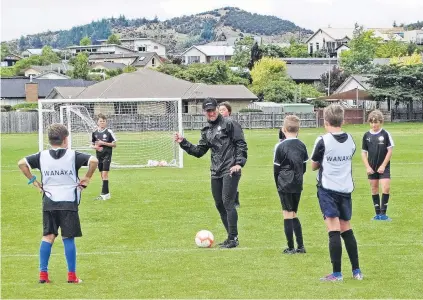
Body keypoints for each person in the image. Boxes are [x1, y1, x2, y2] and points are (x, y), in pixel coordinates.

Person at [17, 123, 98, 284]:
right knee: (68, 238)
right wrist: (87, 177)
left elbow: (21, 163)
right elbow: (94, 160)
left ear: (50, 140)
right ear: (65, 139)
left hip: (49, 201)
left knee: (48, 236)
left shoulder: (41, 156)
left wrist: (33, 181)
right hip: (68, 201)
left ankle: (43, 274)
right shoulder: (73, 155)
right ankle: (72, 276)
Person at [175, 98, 248, 248]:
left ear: (217, 109)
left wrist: (239, 163)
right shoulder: (207, 131)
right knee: (219, 204)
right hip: (216, 171)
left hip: (230, 169)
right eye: (208, 111)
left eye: (213, 109)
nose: (211, 113)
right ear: (204, 112)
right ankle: (230, 237)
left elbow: (241, 144)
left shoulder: (230, 124)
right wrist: (183, 142)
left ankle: (233, 238)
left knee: (228, 202)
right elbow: (199, 151)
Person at [310, 104, 363, 281]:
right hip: (345, 189)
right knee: (346, 228)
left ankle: (337, 273)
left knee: (333, 229)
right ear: (343, 120)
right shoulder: (350, 140)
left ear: (325, 121)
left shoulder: (323, 140)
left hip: (328, 189)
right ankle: (357, 271)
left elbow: (313, 165)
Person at [273, 115, 308, 254]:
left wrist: (278, 183)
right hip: (298, 183)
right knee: (294, 213)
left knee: (287, 214)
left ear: (284, 129)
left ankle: (291, 247)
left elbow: (276, 169)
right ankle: (301, 246)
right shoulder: (302, 145)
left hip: (284, 183)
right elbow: (304, 167)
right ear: (298, 130)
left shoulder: (280, 146)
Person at [361, 110, 394, 221]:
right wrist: (367, 167)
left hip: (384, 167)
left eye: (376, 122)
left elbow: (390, 151)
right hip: (372, 167)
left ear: (381, 122)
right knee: (374, 189)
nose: (374, 125)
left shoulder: (385, 134)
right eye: (372, 122)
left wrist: (383, 165)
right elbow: (364, 153)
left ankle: (383, 214)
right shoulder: (366, 135)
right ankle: (377, 214)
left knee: (386, 187)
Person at [218, 101, 241, 208]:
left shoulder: (232, 124)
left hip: (232, 157)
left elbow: (239, 142)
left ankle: (234, 201)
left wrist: (238, 159)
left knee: (231, 179)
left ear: (229, 111)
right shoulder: (218, 125)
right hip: (221, 158)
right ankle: (225, 201)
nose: (221, 111)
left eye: (223, 110)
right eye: (219, 110)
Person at [91, 113, 117, 200]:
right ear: (97, 122)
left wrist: (103, 143)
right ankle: (107, 194)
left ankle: (103, 195)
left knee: (105, 174)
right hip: (99, 156)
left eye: (104, 121)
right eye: (100, 121)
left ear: (106, 122)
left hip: (107, 155)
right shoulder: (94, 133)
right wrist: (96, 147)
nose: (102, 122)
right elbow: (92, 145)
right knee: (102, 175)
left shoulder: (109, 132)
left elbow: (114, 145)